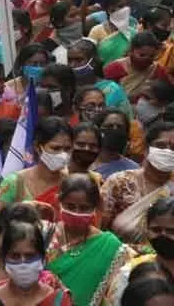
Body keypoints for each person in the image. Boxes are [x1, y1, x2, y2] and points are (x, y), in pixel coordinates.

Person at [43, 174, 133, 305]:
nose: (77, 212)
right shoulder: (44, 235)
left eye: (84, 208)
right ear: (59, 202)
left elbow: (112, 294)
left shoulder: (110, 246)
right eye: (70, 206)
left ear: (95, 208)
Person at [102, 121, 174, 251]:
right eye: (161, 146)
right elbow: (98, 229)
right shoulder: (120, 182)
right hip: (117, 262)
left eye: (173, 148)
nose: (168, 151)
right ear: (146, 149)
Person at [0, 116, 73, 212]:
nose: (62, 154)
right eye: (55, 148)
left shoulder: (71, 183)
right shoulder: (13, 183)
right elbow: (0, 222)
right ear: (37, 147)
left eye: (67, 149)